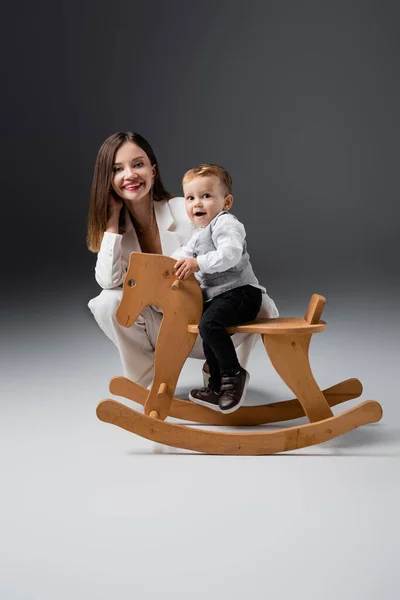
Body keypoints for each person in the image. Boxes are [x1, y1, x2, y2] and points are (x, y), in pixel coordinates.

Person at [87, 132, 279, 390]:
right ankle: (148, 381)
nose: (130, 174)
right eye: (117, 169)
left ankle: (224, 374)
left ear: (152, 171)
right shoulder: (118, 233)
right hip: (159, 328)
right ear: (108, 180)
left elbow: (230, 253)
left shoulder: (187, 209)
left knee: (262, 305)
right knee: (106, 302)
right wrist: (112, 221)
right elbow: (108, 281)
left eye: (138, 164)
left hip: (206, 322)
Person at [172, 164, 269, 414]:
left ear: (226, 202)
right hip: (221, 297)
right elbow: (179, 256)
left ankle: (233, 376)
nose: (198, 204)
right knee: (208, 332)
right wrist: (160, 267)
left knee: (209, 326)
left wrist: (197, 264)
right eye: (191, 198)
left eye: (206, 196)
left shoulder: (226, 224)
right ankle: (215, 386)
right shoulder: (198, 235)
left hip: (242, 293)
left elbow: (230, 255)